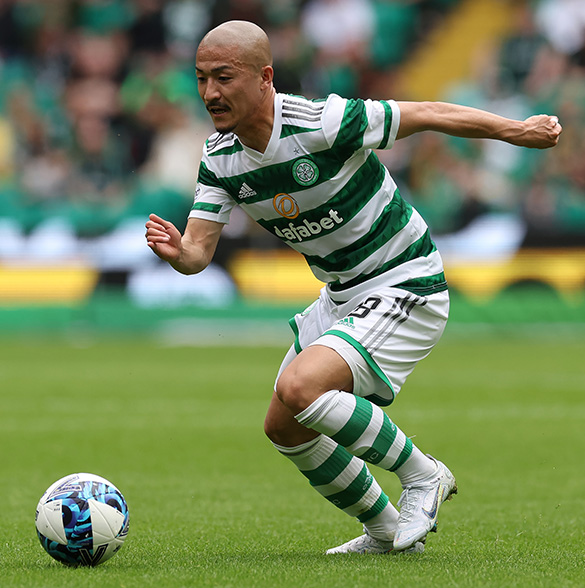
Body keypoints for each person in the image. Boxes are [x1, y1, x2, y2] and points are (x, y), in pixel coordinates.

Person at [145, 20, 562, 555]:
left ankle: (423, 475)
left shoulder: (323, 121)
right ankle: (385, 531)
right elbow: (199, 253)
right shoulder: (219, 158)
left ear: (265, 77)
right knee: (285, 426)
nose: (209, 93)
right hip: (342, 295)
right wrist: (179, 254)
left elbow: (427, 112)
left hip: (404, 279)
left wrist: (516, 130)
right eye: (202, 78)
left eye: (223, 78)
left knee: (301, 388)